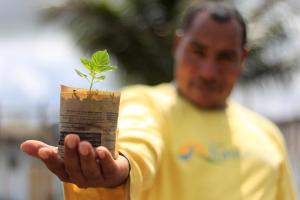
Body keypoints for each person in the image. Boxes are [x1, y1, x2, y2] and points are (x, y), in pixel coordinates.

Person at [21, 2, 297, 200]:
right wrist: (121, 168)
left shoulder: (268, 135)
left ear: (243, 59)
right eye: (197, 52)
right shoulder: (146, 104)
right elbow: (138, 141)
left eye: (225, 57)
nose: (208, 71)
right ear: (178, 46)